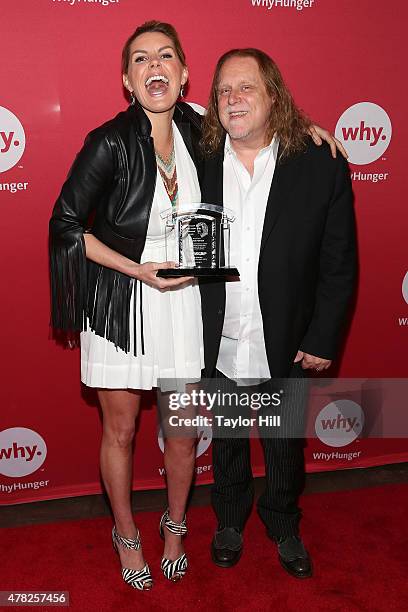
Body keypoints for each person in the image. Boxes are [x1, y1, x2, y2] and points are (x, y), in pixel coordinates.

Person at [49, 20, 346, 590]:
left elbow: (259, 118)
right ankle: (125, 533)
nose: (153, 66)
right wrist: (137, 269)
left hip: (185, 304)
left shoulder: (200, 130)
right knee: (120, 432)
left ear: (184, 76)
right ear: (127, 79)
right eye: (140, 60)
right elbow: (64, 225)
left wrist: (308, 127)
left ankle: (176, 525)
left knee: (182, 430)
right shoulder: (107, 141)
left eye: (165, 57)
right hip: (120, 302)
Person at [199, 48, 357, 578]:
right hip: (213, 336)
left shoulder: (319, 163)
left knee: (285, 443)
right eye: (223, 90)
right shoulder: (196, 157)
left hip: (284, 335)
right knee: (226, 440)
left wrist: (322, 335)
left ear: (274, 97)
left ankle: (284, 524)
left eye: (246, 88)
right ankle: (228, 519)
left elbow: (338, 263)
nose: (232, 99)